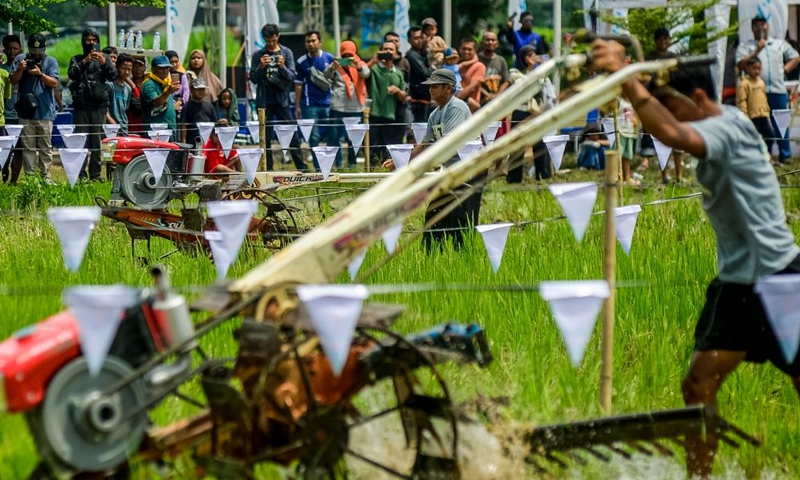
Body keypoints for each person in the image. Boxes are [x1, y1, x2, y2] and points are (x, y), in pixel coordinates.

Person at [592, 37, 800, 479]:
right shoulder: (717, 120)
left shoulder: (727, 128)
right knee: (698, 383)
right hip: (739, 282)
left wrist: (627, 83)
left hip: (779, 277)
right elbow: (670, 123)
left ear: (699, 98)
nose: (662, 121)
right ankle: (699, 477)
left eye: (672, 105)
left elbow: (672, 132)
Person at [382, 69, 482, 252]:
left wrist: (413, 165)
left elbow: (447, 144)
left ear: (449, 88)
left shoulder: (457, 108)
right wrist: (401, 161)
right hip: (452, 170)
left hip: (470, 169)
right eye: (430, 87)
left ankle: (465, 257)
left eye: (436, 86)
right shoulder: (435, 114)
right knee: (435, 213)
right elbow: (424, 145)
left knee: (462, 216)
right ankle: (434, 254)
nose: (431, 90)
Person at [736, 14, 800, 163]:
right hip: (757, 92)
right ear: (752, 28)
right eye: (756, 25)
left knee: (781, 124)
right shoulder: (746, 46)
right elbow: (740, 65)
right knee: (761, 126)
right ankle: (764, 157)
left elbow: (796, 57)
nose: (760, 28)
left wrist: (784, 70)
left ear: (767, 26)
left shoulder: (778, 43)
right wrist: (757, 51)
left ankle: (785, 155)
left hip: (777, 90)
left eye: (762, 24)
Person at [249, 23, 306, 171]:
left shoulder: (286, 53)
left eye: (273, 41)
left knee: (291, 133)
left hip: (282, 100)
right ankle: (268, 168)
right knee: (265, 137)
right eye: (268, 41)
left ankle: (301, 166)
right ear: (264, 39)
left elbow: (292, 76)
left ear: (278, 37)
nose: (271, 44)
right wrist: (261, 67)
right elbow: (253, 79)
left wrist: (283, 67)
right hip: (264, 100)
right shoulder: (258, 55)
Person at [68, 27, 117, 181]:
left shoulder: (105, 58)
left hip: (98, 106)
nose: (91, 43)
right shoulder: (76, 59)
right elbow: (72, 74)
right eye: (88, 40)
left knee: (97, 143)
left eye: (93, 40)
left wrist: (105, 63)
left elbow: (114, 76)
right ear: (83, 41)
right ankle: (81, 174)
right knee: (80, 142)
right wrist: (85, 61)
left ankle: (95, 174)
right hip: (81, 106)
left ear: (98, 42)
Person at [10, 33, 59, 181]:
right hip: (26, 113)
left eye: (39, 52)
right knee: (28, 148)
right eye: (33, 51)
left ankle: (46, 178)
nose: (36, 55)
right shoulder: (20, 59)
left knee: (45, 148)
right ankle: (30, 178)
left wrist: (40, 74)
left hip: (45, 112)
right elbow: (12, 81)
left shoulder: (50, 62)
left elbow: (54, 83)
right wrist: (20, 69)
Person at [639, 27, 683, 183]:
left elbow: (681, 80)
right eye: (660, 39)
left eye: (666, 38)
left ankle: (679, 175)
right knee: (661, 140)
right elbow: (645, 81)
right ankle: (664, 175)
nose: (663, 42)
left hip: (673, 100)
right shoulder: (650, 59)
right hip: (656, 101)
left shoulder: (674, 58)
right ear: (655, 41)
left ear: (669, 40)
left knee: (678, 137)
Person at [506, 44, 554, 182]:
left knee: (540, 145)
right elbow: (523, 85)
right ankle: (513, 179)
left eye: (534, 54)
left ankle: (544, 177)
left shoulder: (540, 74)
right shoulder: (515, 73)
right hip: (520, 112)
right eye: (529, 55)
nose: (533, 57)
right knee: (517, 146)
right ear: (522, 58)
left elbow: (548, 91)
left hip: (536, 113)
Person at [295, 30, 336, 172]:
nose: (311, 44)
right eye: (308, 41)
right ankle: (319, 167)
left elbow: (336, 80)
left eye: (313, 41)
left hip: (328, 103)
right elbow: (298, 84)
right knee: (313, 137)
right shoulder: (301, 62)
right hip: (309, 104)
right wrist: (297, 106)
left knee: (332, 134)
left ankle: (332, 165)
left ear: (320, 42)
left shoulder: (330, 58)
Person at [325, 40, 369, 168]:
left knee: (354, 138)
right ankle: (337, 163)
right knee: (335, 136)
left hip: (356, 107)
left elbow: (366, 74)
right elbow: (326, 75)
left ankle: (352, 163)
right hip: (338, 105)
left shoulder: (360, 64)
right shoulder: (336, 64)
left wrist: (358, 66)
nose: (347, 58)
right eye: (344, 55)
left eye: (349, 55)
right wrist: (332, 67)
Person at [368, 41, 407, 166]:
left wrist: (397, 90)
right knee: (374, 147)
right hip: (374, 114)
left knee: (387, 147)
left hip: (390, 115)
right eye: (385, 49)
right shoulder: (374, 69)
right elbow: (361, 74)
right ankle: (372, 172)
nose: (388, 52)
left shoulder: (398, 73)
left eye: (391, 49)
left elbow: (403, 97)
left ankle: (384, 173)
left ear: (396, 54)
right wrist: (374, 60)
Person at [738, 57, 778, 161]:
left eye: (759, 68)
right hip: (752, 117)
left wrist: (767, 110)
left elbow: (764, 97)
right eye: (754, 68)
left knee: (770, 136)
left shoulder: (761, 82)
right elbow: (742, 101)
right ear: (747, 68)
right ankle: (754, 159)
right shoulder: (744, 83)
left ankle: (768, 157)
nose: (757, 71)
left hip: (763, 115)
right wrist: (745, 116)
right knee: (753, 139)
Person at [1, 34, 22, 184]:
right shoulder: (2, 70)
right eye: (8, 49)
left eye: (15, 48)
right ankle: (4, 172)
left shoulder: (26, 66)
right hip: (6, 116)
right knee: (4, 150)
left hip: (21, 116)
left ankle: (14, 181)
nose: (12, 51)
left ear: (21, 49)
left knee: (19, 150)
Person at [141, 55, 180, 134]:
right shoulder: (149, 84)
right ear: (153, 69)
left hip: (168, 129)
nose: (165, 71)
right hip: (156, 132)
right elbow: (156, 103)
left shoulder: (165, 83)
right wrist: (168, 92)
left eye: (167, 68)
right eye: (161, 68)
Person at [406, 26, 433, 122]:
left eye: (421, 38)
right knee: (420, 128)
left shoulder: (423, 53)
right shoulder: (412, 55)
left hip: (426, 97)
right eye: (416, 38)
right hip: (418, 100)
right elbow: (425, 72)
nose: (419, 41)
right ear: (409, 40)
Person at [181, 77, 217, 144]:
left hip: (207, 143)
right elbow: (183, 126)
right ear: (191, 89)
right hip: (192, 142)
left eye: (202, 89)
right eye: (198, 89)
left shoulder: (209, 106)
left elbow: (214, 124)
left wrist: (214, 140)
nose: (200, 92)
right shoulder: (187, 106)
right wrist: (184, 142)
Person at [479, 30, 510, 107]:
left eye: (493, 40)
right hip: (481, 101)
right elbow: (473, 82)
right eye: (487, 40)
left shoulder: (501, 60)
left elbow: (506, 81)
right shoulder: (477, 59)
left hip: (498, 102)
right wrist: (488, 95)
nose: (490, 42)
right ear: (482, 43)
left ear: (497, 44)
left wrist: (497, 95)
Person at [105, 54, 133, 137]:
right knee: (108, 149)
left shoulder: (128, 88)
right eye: (123, 68)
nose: (126, 72)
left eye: (129, 69)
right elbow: (104, 109)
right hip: (110, 129)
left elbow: (125, 109)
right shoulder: (109, 85)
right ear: (116, 67)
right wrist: (111, 121)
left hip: (124, 128)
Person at [456, 38, 486, 112]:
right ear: (459, 49)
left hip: (469, 109)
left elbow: (472, 87)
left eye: (470, 49)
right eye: (464, 48)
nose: (466, 51)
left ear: (475, 51)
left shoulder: (479, 66)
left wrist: (455, 99)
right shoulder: (455, 65)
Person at [165, 50, 190, 118]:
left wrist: (181, 102)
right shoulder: (163, 76)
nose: (174, 64)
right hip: (168, 108)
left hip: (181, 109)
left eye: (176, 62)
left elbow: (186, 91)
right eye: (171, 62)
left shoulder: (182, 76)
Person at [126, 56, 146, 135]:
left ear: (145, 68)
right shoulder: (127, 83)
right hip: (132, 121)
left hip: (145, 121)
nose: (137, 69)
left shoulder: (149, 83)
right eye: (135, 66)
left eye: (140, 66)